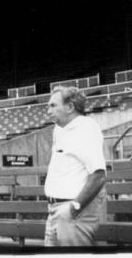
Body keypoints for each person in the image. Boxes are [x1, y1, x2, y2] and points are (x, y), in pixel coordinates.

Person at [43, 86, 107, 246]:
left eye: (53, 105)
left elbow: (99, 175)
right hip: (54, 210)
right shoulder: (59, 129)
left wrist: (74, 208)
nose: (48, 110)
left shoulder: (86, 128)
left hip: (74, 211)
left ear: (70, 107)